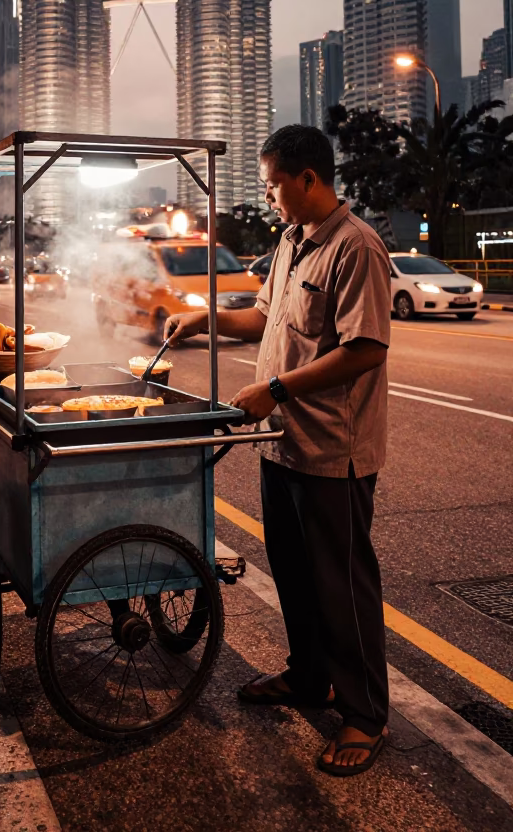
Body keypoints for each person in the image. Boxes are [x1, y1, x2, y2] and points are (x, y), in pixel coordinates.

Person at [166, 125, 391, 778]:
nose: (267, 196)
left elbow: (366, 349)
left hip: (333, 450)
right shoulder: (291, 241)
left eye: (272, 185)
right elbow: (265, 316)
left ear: (309, 180)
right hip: (282, 443)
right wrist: (205, 314)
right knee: (295, 574)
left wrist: (274, 388)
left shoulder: (357, 248)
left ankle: (364, 714)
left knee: (342, 585)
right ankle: (308, 678)